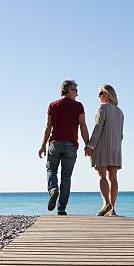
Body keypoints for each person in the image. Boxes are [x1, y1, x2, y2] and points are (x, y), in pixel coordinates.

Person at [38, 80, 90, 215]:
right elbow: (83, 126)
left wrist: (43, 145)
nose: (77, 94)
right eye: (75, 90)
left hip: (54, 144)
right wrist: (87, 144)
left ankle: (53, 189)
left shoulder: (53, 105)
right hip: (70, 145)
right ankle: (61, 209)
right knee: (66, 178)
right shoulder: (78, 106)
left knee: (51, 170)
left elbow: (48, 127)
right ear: (67, 90)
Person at [84, 84, 124, 216]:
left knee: (102, 176)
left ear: (107, 94)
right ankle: (112, 209)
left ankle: (106, 203)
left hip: (102, 146)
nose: (99, 96)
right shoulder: (120, 112)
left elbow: (98, 127)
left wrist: (90, 146)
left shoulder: (103, 107)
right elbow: (121, 134)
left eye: (101, 93)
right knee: (113, 178)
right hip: (116, 148)